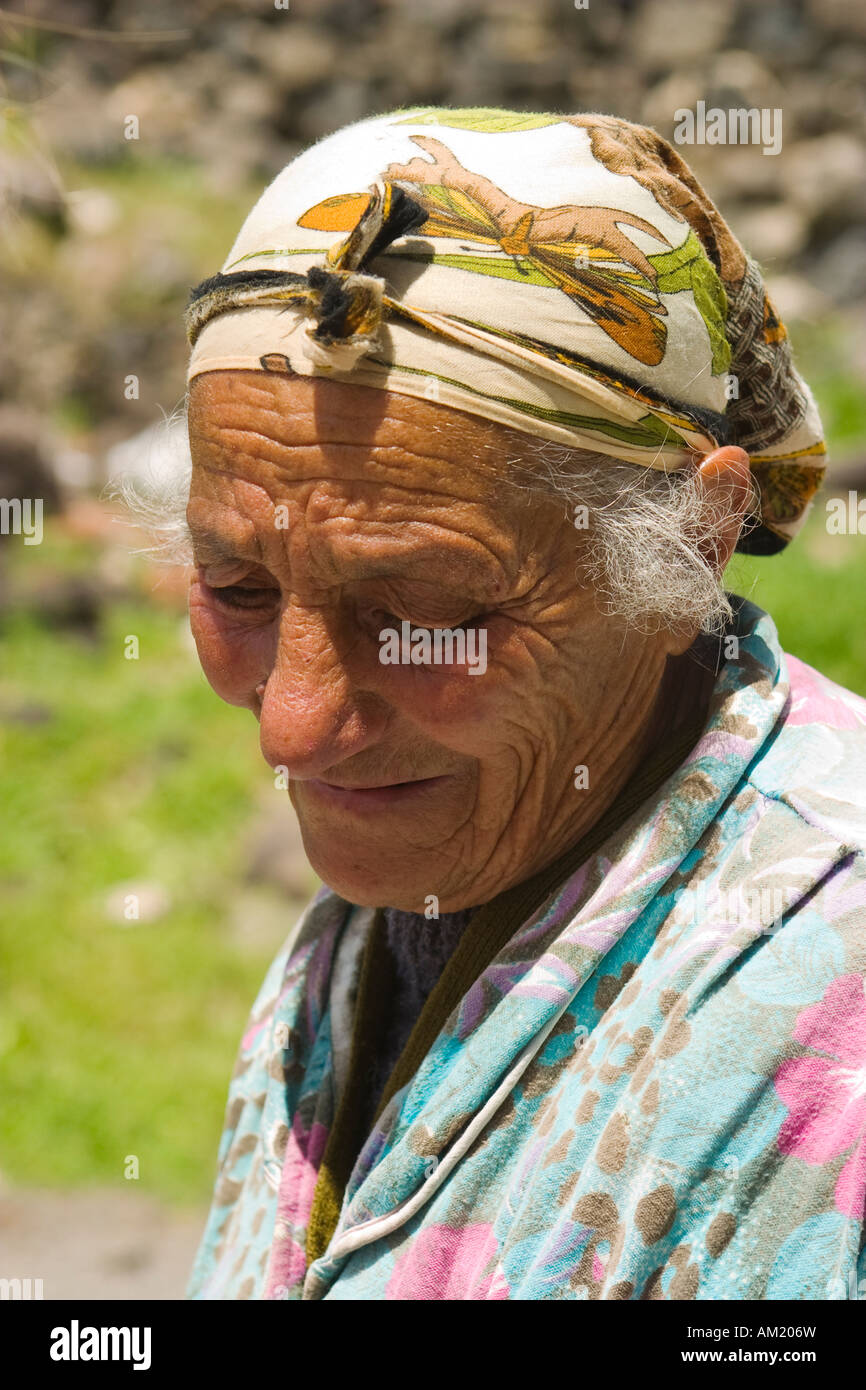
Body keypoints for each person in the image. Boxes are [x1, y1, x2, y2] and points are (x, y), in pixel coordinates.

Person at [164, 108, 865, 1299]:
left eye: (417, 611)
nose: (292, 725)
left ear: (690, 546)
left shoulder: (832, 1025)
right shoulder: (384, 922)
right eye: (237, 586)